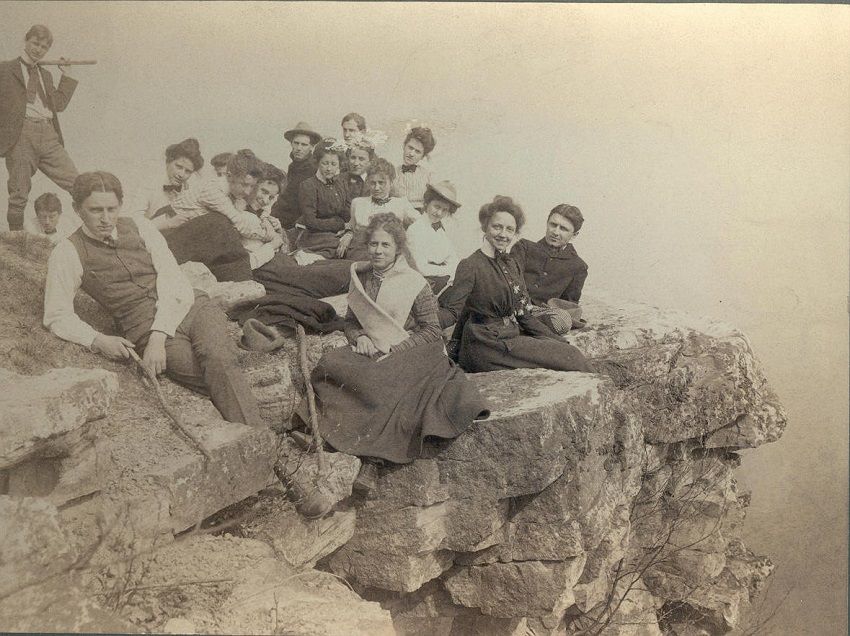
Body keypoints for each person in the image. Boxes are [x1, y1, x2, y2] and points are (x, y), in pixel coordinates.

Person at [44, 171, 263, 426]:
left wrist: (159, 337)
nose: (106, 219)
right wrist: (97, 340)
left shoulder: (140, 226)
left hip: (189, 306)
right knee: (210, 374)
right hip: (142, 327)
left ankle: (259, 438)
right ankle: (260, 435)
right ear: (77, 209)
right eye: (95, 210)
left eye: (112, 209)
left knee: (221, 360)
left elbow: (172, 276)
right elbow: (56, 314)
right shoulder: (67, 251)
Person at [297, 213, 489, 464]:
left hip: (410, 348)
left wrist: (397, 349)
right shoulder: (361, 278)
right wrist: (360, 336)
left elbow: (431, 330)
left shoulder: (414, 282)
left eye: (385, 245)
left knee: (381, 381)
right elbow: (351, 321)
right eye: (373, 244)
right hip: (373, 347)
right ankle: (324, 431)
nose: (378, 251)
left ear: (398, 248)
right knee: (330, 364)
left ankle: (365, 448)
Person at [438, 195, 591, 373]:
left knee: (570, 353)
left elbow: (523, 314)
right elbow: (453, 311)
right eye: (497, 227)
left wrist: (558, 340)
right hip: (484, 343)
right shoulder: (470, 264)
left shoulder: (510, 264)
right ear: (485, 226)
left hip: (508, 336)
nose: (503, 234)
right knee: (569, 358)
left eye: (509, 229)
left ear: (514, 233)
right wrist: (423, 325)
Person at [152, 148, 276, 281]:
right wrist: (271, 237)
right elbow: (239, 223)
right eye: (244, 185)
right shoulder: (213, 190)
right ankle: (243, 277)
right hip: (168, 232)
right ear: (229, 176)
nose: (247, 191)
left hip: (189, 232)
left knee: (225, 230)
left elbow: (254, 212)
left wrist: (266, 221)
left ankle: (243, 275)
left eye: (252, 186)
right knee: (222, 225)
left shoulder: (234, 191)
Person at [1, 25, 79, 231]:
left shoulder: (46, 75)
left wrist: (67, 75)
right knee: (19, 191)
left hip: (48, 134)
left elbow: (59, 105)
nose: (39, 49)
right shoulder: (5, 69)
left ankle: (94, 235)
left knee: (78, 183)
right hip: (21, 134)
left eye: (44, 47)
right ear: (25, 41)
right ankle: (16, 243)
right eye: (35, 43)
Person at [338, 158, 418, 260]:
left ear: (391, 182)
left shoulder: (401, 204)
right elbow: (351, 226)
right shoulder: (358, 203)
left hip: (388, 254)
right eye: (373, 183)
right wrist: (348, 235)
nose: (376, 188)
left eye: (381, 183)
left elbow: (421, 225)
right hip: (360, 252)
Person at [511, 204, 588, 306]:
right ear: (547, 224)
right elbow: (508, 284)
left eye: (563, 229)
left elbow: (568, 306)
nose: (555, 232)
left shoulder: (578, 267)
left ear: (574, 235)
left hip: (544, 319)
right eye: (553, 224)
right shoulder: (523, 248)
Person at [293, 139, 351, 259]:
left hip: (336, 233)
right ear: (318, 162)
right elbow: (310, 221)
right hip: (314, 234)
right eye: (325, 163)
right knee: (334, 248)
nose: (329, 168)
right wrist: (338, 224)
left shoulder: (342, 183)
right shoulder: (308, 185)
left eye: (333, 164)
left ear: (339, 165)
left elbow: (347, 213)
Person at [406, 180, 462, 294]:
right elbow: (421, 268)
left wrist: (452, 270)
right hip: (422, 284)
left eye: (444, 210)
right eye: (437, 206)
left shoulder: (441, 231)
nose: (439, 213)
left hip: (441, 280)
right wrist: (450, 271)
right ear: (426, 203)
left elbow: (454, 261)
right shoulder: (415, 229)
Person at [136, 137, 204, 219]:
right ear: (168, 162)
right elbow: (134, 219)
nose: (181, 175)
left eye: (188, 171)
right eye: (178, 167)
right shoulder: (149, 184)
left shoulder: (190, 189)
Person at [271, 121, 322, 231]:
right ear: (291, 143)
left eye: (304, 145)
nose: (299, 148)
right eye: (296, 143)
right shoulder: (292, 166)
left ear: (311, 147)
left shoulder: (314, 169)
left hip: (296, 224)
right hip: (280, 218)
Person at [243, 162, 290, 271]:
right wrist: (274, 243)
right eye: (264, 192)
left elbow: (284, 250)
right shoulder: (241, 215)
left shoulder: (260, 214)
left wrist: (278, 230)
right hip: (261, 270)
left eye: (270, 197)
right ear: (252, 185)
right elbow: (245, 264)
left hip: (275, 264)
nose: (265, 200)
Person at [391, 126, 435, 211]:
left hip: (419, 217)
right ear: (404, 146)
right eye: (410, 148)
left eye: (417, 152)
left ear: (423, 156)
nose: (411, 154)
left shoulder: (427, 175)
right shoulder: (392, 173)